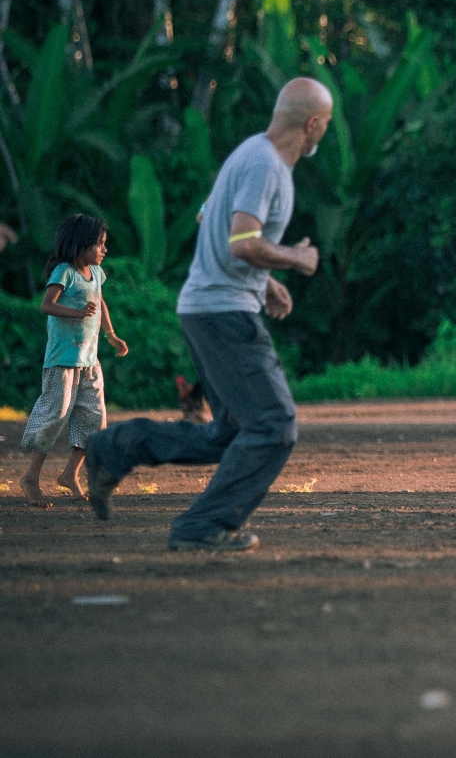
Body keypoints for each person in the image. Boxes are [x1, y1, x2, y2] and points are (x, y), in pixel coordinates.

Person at [84, 77, 328, 552]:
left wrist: (265, 279)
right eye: (326, 124)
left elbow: (208, 219)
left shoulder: (250, 153)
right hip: (223, 315)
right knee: (275, 425)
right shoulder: (267, 166)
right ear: (313, 123)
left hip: (209, 307)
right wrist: (296, 259)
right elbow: (241, 241)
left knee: (232, 432)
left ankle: (114, 449)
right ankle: (201, 527)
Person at [17, 215, 129, 508]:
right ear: (80, 245)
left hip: (89, 362)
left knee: (95, 421)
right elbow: (47, 305)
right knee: (56, 414)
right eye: (99, 244)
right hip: (62, 362)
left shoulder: (96, 273)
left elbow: (100, 300)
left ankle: (70, 474)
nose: (104, 250)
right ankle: (31, 477)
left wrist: (111, 335)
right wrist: (77, 313)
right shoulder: (64, 273)